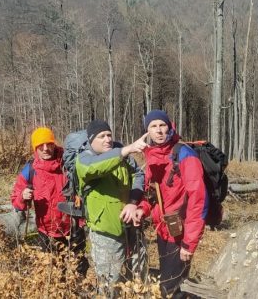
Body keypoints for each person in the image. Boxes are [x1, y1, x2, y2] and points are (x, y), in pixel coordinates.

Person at [135, 110, 207, 297]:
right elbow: (152, 194)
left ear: (170, 126)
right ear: (147, 131)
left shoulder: (185, 154)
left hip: (181, 233)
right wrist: (142, 210)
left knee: (169, 288)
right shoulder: (152, 156)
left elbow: (198, 201)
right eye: (153, 126)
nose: (159, 130)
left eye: (162, 125)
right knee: (168, 285)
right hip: (163, 230)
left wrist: (189, 243)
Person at [75, 119, 148, 294]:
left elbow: (139, 174)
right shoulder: (85, 158)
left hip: (131, 225)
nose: (107, 139)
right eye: (101, 136)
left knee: (139, 275)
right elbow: (92, 169)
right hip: (106, 232)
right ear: (91, 140)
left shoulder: (122, 155)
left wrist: (133, 203)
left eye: (109, 135)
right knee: (109, 282)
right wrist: (125, 150)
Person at [11, 127, 88, 275]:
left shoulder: (69, 163)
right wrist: (23, 196)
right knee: (52, 274)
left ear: (54, 144)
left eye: (49, 144)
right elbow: (15, 200)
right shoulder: (30, 170)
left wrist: (82, 221)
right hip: (45, 232)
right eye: (41, 146)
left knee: (79, 270)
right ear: (35, 148)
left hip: (73, 228)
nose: (46, 149)